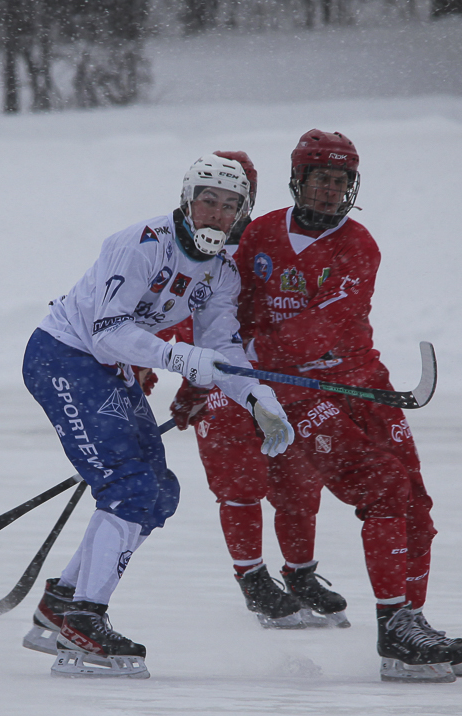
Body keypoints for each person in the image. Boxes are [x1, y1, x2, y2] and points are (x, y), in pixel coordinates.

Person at [21, 155, 296, 679]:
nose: (216, 213)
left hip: (106, 367)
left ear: (242, 213)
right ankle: (85, 618)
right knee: (128, 488)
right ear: (187, 200)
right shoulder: (141, 244)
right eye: (207, 200)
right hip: (65, 355)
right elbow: (106, 331)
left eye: (229, 205)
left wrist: (259, 400)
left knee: (158, 490)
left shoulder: (221, 273)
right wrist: (181, 357)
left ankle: (62, 604)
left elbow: (223, 353)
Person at [234, 130, 462, 682]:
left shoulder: (358, 244)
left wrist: (258, 350)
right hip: (294, 396)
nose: (331, 191)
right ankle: (393, 629)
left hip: (362, 383)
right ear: (298, 180)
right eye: (321, 179)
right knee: (382, 488)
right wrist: (229, 361)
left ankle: (410, 619)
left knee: (415, 502)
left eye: (341, 181)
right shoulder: (261, 235)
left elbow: (319, 327)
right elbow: (236, 308)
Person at [158, 151, 350, 630]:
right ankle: (254, 580)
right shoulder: (183, 242)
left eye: (239, 197)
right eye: (215, 199)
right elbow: (171, 312)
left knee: (298, 481)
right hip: (220, 379)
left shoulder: (264, 235)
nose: (227, 209)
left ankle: (301, 573)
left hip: (274, 380)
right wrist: (182, 381)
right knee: (240, 481)